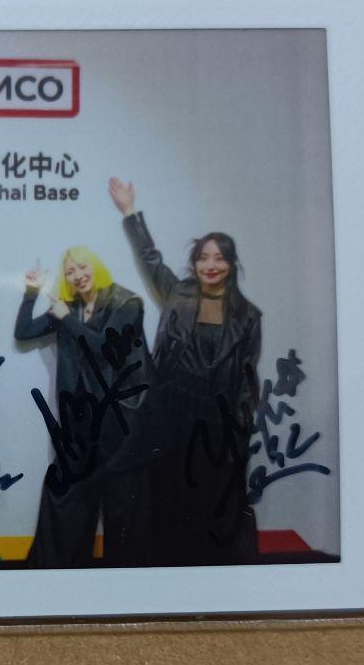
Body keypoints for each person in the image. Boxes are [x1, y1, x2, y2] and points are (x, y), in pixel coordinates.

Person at [109, 177, 261, 565]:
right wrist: (129, 211)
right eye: (203, 257)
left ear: (231, 264)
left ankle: (208, 572)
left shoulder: (248, 316)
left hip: (215, 422)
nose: (211, 265)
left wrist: (239, 430)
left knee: (210, 499)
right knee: (166, 496)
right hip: (170, 413)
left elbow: (248, 379)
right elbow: (151, 258)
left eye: (219, 258)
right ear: (194, 263)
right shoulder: (177, 294)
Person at [14, 246, 154, 567]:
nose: (78, 276)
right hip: (79, 423)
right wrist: (31, 292)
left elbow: (106, 349)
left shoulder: (127, 303)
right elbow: (23, 332)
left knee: (122, 510)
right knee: (67, 502)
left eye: (82, 267)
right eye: (70, 272)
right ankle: (63, 580)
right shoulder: (72, 307)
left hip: (119, 423)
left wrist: (66, 320)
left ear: (96, 266)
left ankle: (126, 587)